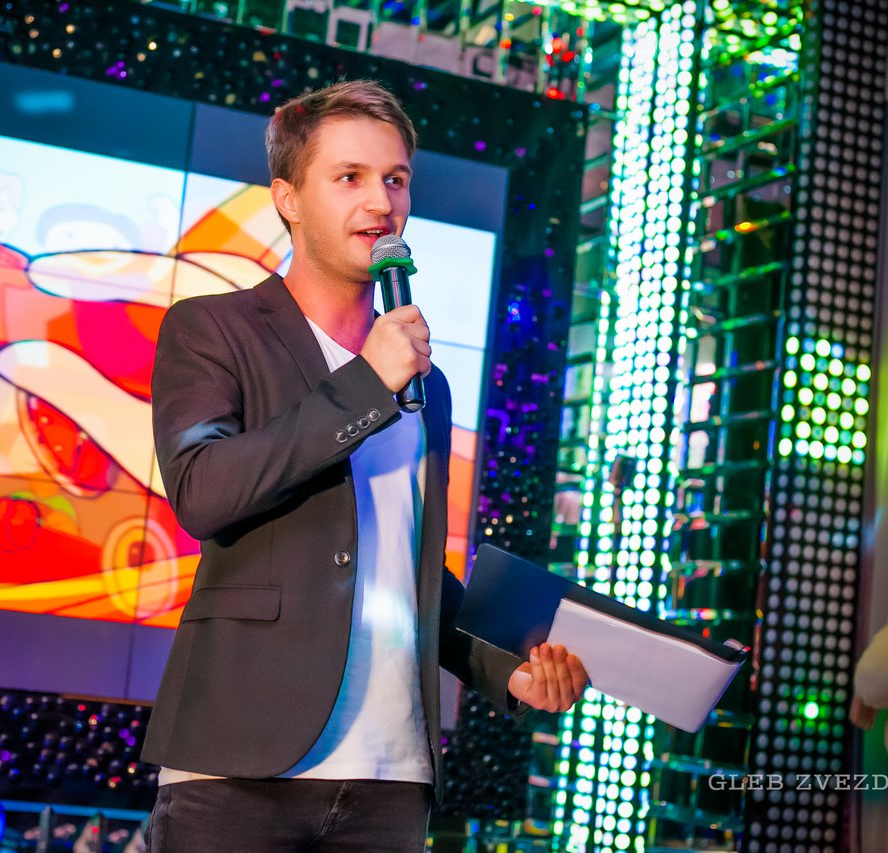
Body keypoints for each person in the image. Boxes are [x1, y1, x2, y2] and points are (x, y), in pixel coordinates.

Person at [140, 79, 588, 851]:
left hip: (391, 779)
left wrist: (505, 669)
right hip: (238, 767)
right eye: (349, 177)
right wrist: (364, 382)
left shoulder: (426, 384)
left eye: (396, 179)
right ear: (287, 198)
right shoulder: (213, 328)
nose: (381, 201)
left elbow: (405, 569)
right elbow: (203, 491)